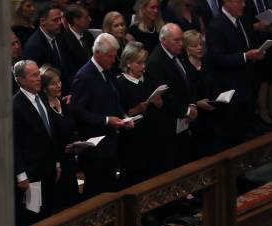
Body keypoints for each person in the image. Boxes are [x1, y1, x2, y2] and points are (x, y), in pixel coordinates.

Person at [69, 33, 133, 199]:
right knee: (97, 192)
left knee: (111, 188)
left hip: (112, 143)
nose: (114, 60)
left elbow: (114, 99)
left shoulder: (108, 71)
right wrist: (106, 120)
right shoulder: (84, 76)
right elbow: (78, 111)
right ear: (98, 53)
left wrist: (123, 116)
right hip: (95, 148)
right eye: (110, 56)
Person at [206, 0, 265, 148]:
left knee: (241, 131)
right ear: (227, 2)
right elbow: (217, 58)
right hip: (228, 89)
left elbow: (245, 45)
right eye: (239, 1)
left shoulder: (242, 21)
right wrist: (246, 56)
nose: (244, 5)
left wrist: (255, 54)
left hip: (245, 85)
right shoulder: (216, 26)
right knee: (229, 134)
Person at [13, 60, 61, 226]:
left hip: (47, 168)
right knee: (33, 214)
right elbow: (14, 145)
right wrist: (21, 175)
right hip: (31, 173)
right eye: (34, 75)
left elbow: (49, 133)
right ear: (21, 80)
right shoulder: (15, 105)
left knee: (48, 209)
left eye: (38, 74)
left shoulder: (41, 97)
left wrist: (55, 161)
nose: (39, 78)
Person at [146, 23, 198, 173]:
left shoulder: (177, 55)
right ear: (163, 40)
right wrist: (186, 111)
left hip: (183, 119)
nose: (181, 44)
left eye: (181, 39)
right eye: (176, 40)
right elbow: (165, 96)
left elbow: (189, 81)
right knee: (172, 165)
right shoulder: (155, 62)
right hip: (168, 124)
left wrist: (192, 105)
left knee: (184, 159)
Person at [116, 41, 163, 187]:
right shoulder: (120, 83)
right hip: (131, 142)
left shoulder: (148, 79)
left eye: (144, 62)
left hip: (150, 137)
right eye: (139, 63)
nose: (143, 67)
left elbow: (160, 105)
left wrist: (158, 101)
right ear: (128, 63)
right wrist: (137, 109)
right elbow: (119, 114)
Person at [40, 65, 83, 211]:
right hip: (56, 163)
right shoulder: (43, 108)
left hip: (70, 162)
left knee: (74, 204)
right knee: (59, 205)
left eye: (59, 82)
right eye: (53, 83)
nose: (59, 86)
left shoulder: (65, 104)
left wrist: (77, 143)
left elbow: (72, 128)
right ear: (44, 88)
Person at [183, 29, 219, 157]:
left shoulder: (207, 63)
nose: (199, 48)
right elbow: (183, 94)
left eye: (200, 45)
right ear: (187, 48)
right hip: (195, 117)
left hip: (211, 113)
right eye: (194, 45)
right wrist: (197, 103)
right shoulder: (184, 68)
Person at [22, 4, 72, 93]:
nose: (60, 22)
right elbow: (37, 80)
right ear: (43, 22)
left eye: (60, 19)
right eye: (55, 20)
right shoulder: (34, 46)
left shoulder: (60, 36)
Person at [62, 4, 95, 84]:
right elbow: (69, 71)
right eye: (86, 17)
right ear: (76, 20)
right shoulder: (64, 41)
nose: (90, 20)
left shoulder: (88, 36)